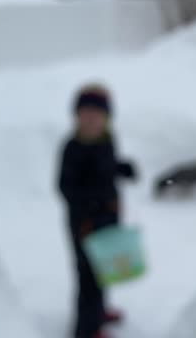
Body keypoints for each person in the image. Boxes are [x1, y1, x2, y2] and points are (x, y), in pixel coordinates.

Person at [58, 84, 137, 338]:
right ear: (76, 117)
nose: (91, 121)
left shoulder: (107, 140)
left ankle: (99, 311)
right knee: (88, 277)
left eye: (97, 116)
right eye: (85, 115)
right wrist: (89, 205)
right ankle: (86, 329)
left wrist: (122, 168)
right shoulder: (72, 149)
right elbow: (65, 186)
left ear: (106, 118)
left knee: (104, 269)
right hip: (84, 224)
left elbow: (107, 166)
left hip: (108, 216)